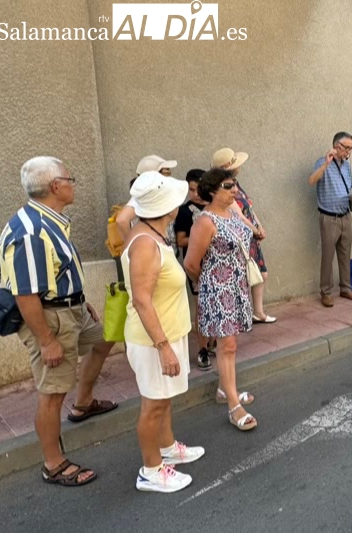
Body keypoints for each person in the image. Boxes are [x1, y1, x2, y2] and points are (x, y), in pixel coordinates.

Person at [0, 157, 117, 486]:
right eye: (69, 179)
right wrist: (47, 340)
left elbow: (54, 272)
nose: (72, 184)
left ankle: (83, 403)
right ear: (55, 186)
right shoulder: (32, 232)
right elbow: (26, 295)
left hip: (68, 309)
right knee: (52, 393)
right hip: (50, 319)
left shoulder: (47, 220)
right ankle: (53, 463)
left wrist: (78, 299)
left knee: (105, 338)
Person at [122, 171, 204, 493]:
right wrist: (164, 347)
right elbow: (142, 301)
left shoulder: (152, 232)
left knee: (163, 398)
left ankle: (167, 448)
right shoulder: (145, 243)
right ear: (166, 207)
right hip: (153, 341)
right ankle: (151, 470)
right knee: (153, 405)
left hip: (166, 334)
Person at [183, 168, 257, 431]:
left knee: (231, 343)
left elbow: (254, 233)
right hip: (218, 289)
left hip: (237, 287)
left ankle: (226, 390)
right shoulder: (205, 221)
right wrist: (211, 283)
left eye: (235, 184)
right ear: (212, 191)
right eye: (228, 186)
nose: (234, 189)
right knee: (227, 346)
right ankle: (234, 407)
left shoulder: (233, 212)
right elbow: (190, 263)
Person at [211, 148, 276, 324]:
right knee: (247, 276)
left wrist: (259, 226)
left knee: (261, 274)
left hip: (250, 234)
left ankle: (258, 312)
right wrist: (255, 230)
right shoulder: (223, 188)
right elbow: (238, 215)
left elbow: (249, 209)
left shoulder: (235, 184)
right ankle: (244, 314)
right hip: (242, 236)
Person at [308, 132, 352, 307]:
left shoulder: (347, 166)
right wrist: (326, 163)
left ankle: (346, 288)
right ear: (337, 146)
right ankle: (326, 292)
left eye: (351, 149)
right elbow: (311, 181)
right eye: (347, 148)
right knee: (328, 256)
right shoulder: (322, 162)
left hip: (345, 216)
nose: (349, 152)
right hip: (329, 217)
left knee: (345, 254)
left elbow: (348, 188)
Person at [174, 169, 214, 371]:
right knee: (201, 307)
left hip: (216, 264)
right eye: (191, 190)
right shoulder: (184, 211)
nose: (195, 194)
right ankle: (202, 349)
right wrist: (201, 237)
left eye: (198, 189)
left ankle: (212, 340)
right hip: (196, 264)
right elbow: (180, 240)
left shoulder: (214, 207)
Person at [115, 155, 178, 242]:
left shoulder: (156, 194)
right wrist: (132, 245)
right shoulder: (143, 194)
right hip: (149, 246)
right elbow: (121, 220)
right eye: (164, 173)